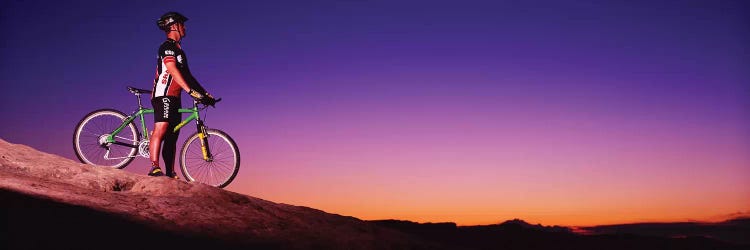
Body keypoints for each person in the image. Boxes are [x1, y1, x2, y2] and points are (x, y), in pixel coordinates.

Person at [149, 11, 216, 178]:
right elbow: (171, 70)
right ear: (174, 26)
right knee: (162, 128)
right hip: (162, 94)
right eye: (182, 24)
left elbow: (188, 76)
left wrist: (205, 94)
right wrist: (189, 91)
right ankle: (154, 167)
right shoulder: (167, 47)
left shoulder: (180, 51)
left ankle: (170, 172)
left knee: (172, 137)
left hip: (174, 98)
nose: (185, 28)